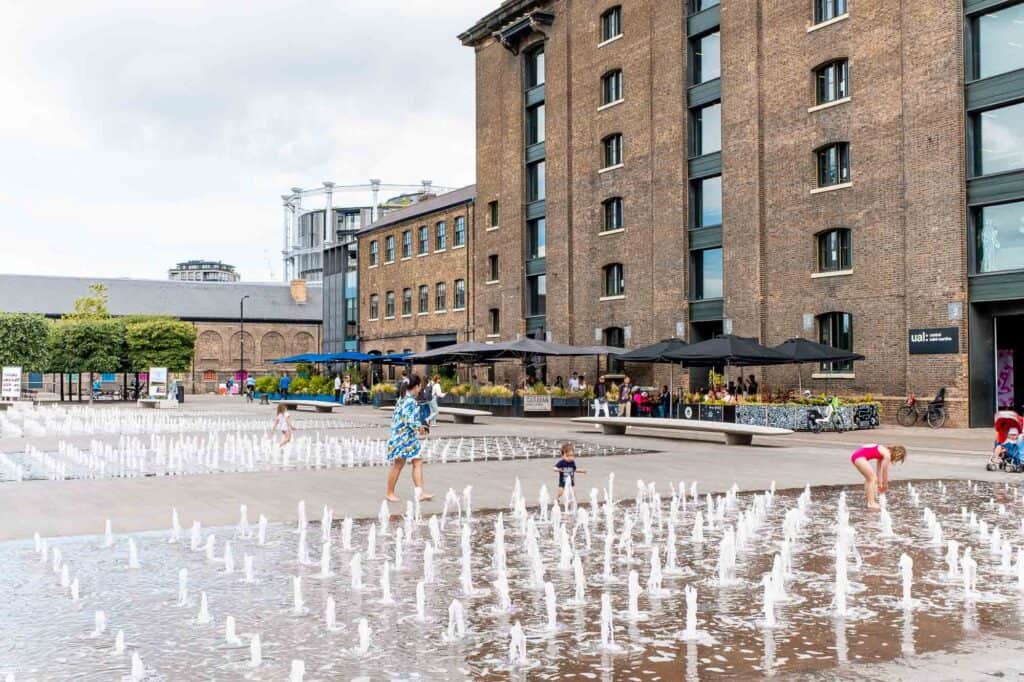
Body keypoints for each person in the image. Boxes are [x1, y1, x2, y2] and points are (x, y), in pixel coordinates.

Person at [384, 374, 433, 503]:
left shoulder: (402, 399)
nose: (420, 390)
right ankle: (389, 493)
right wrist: (420, 428)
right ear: (415, 386)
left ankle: (420, 492)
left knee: (417, 462)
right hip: (403, 438)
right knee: (398, 465)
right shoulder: (409, 401)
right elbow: (409, 420)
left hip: (405, 437)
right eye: (419, 388)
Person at [850, 444, 906, 511]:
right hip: (859, 458)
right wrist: (885, 485)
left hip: (856, 456)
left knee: (870, 479)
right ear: (897, 454)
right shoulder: (887, 455)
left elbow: (879, 469)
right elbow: (885, 472)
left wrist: (879, 483)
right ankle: (871, 503)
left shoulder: (883, 451)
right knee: (872, 479)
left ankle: (869, 500)